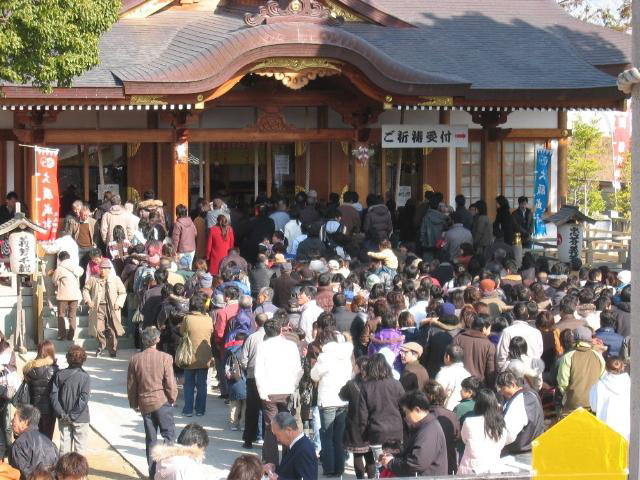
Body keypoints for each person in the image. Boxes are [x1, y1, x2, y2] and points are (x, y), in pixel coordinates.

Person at [127, 327, 177, 477]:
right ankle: (167, 471)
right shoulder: (165, 357)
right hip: (162, 401)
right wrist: (172, 397)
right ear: (158, 339)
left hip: (145, 403)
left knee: (151, 440)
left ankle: (153, 473)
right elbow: (170, 382)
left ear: (143, 340)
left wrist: (134, 403)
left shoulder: (135, 359)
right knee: (169, 436)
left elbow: (131, 385)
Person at [254, 320, 302, 466]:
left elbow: (258, 372)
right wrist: (294, 386)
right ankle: (289, 460)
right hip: (288, 391)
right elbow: (298, 369)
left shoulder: (263, 346)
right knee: (288, 426)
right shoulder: (291, 345)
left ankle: (271, 463)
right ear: (281, 330)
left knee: (270, 428)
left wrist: (262, 392)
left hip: (269, 392)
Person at [310, 330, 353, 476]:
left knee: (327, 436)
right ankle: (339, 468)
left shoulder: (325, 356)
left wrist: (315, 365)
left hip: (328, 400)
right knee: (339, 437)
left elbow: (314, 375)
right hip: (343, 400)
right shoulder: (346, 354)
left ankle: (329, 468)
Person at [380, 391, 447, 476]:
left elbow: (416, 464)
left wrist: (391, 463)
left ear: (417, 410)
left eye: (406, 412)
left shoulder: (429, 431)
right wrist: (395, 458)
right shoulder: (426, 426)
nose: (405, 417)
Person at [357, 353, 405, 463]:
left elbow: (363, 415)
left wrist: (364, 435)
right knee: (397, 465)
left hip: (377, 432)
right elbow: (405, 409)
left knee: (381, 465)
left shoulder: (366, 387)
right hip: (397, 431)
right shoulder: (396, 384)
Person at [50, 346, 90, 456]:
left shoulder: (60, 374)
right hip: (81, 417)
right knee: (80, 450)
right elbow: (83, 399)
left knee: (64, 449)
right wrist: (72, 416)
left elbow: (53, 396)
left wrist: (61, 413)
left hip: (63, 416)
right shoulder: (85, 377)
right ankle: (79, 468)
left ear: (67, 358)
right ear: (83, 359)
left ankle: (63, 467)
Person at [82, 259, 126, 357]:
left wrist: (118, 303)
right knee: (97, 328)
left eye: (105, 269)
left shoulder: (116, 279)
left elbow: (123, 292)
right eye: (101, 268)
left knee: (112, 329)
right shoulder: (93, 279)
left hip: (112, 308)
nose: (102, 270)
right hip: (98, 307)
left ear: (109, 269)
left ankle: (113, 349)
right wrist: (88, 301)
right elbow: (85, 290)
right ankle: (102, 344)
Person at [496, 371, 544, 461]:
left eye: (503, 388)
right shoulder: (532, 393)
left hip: (520, 453)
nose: (501, 392)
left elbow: (509, 433)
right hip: (535, 447)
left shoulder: (518, 401)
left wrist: (496, 444)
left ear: (513, 385)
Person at [458, 388, 508, 474]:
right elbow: (502, 443)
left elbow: (464, 439)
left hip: (471, 470)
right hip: (493, 470)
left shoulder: (469, 422)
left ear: (478, 404)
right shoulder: (501, 424)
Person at [339, 356, 374, 479]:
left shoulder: (352, 384)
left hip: (355, 423)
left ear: (359, 368)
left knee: (357, 454)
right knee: (370, 454)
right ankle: (372, 477)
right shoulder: (374, 383)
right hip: (370, 423)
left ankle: (360, 478)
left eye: (355, 365)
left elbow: (342, 395)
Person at [557, 327, 605, 414]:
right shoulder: (598, 356)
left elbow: (563, 383)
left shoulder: (568, 357)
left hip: (572, 405)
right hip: (594, 405)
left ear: (575, 339)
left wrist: (570, 396)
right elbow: (603, 379)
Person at [180, 293, 213, 417]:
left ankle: (188, 410)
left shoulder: (187, 319)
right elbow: (211, 332)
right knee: (202, 384)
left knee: (189, 383)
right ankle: (200, 410)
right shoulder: (209, 319)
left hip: (189, 355)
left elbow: (182, 331)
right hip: (204, 355)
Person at [263, 412, 318, 480]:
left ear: (288, 430)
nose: (277, 439)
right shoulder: (294, 444)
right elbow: (290, 471)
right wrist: (275, 469)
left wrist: (278, 479)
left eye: (277, 435)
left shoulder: (304, 450)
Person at [9, 405, 58, 480]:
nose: (11, 422)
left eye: (14, 419)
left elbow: (19, 473)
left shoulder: (19, 444)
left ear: (25, 422)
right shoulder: (51, 443)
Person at [23, 341, 58, 439]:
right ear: (51, 352)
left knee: (34, 439)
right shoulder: (54, 370)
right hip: (49, 411)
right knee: (47, 439)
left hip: (33, 409)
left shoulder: (29, 369)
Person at [589, 357, 630, 440]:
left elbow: (593, 407)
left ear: (606, 368)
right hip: (627, 427)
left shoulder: (598, 385)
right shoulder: (630, 383)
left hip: (606, 426)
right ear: (622, 367)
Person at [452, 313, 496, 386]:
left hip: (459, 383)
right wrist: (491, 387)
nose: (490, 331)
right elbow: (490, 371)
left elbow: (451, 360)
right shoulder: (489, 345)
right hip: (479, 385)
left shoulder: (458, 338)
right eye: (490, 328)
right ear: (484, 328)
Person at [496, 304, 543, 371]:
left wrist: (502, 371)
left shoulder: (507, 332)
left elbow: (501, 355)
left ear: (513, 315)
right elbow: (539, 353)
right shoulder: (537, 333)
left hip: (513, 372)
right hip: (532, 371)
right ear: (528, 316)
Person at [52, 251, 84, 341]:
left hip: (63, 295)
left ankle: (62, 335)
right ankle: (71, 335)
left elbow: (54, 280)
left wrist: (58, 283)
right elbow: (81, 272)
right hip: (75, 295)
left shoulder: (59, 268)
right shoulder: (75, 267)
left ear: (60, 259)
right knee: (72, 315)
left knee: (61, 315)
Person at [435, 344, 472, 411]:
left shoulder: (443, 373)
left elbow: (436, 394)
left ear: (448, 357)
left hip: (445, 411)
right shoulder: (468, 374)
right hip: (462, 411)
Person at [225, 332, 248, 431]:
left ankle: (233, 424)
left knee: (234, 405)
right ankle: (243, 424)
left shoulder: (230, 351)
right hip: (245, 381)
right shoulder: (246, 351)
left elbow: (226, 368)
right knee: (245, 405)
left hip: (233, 382)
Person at [172, 204, 198, 270]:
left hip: (182, 251)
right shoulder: (191, 222)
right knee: (189, 268)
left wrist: (173, 251)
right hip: (192, 249)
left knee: (181, 270)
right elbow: (195, 233)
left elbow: (175, 240)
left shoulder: (177, 224)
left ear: (177, 213)